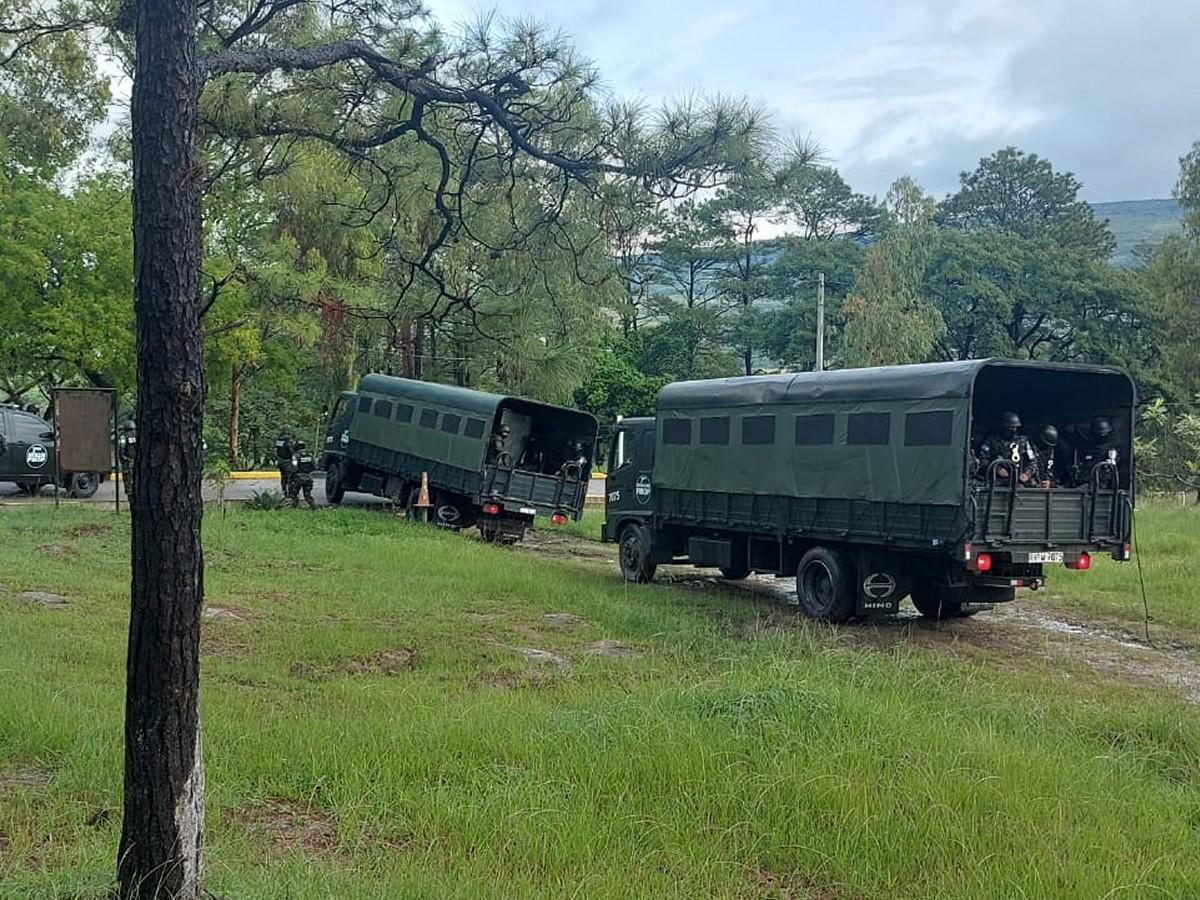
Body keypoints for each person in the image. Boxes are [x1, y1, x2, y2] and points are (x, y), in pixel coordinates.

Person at [978, 411, 1040, 487]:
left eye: (1015, 428)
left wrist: (1027, 474)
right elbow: (982, 461)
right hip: (997, 482)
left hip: (1019, 482)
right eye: (1010, 428)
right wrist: (997, 469)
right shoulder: (991, 441)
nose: (1013, 431)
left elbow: (1033, 462)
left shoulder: (1023, 442)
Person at [1073, 416, 1119, 488]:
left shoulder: (1110, 451)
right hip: (1083, 482)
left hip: (1098, 485)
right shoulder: (1087, 449)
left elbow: (1109, 473)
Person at [289, 441, 317, 508]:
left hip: (298, 477)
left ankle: (294, 508)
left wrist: (291, 476)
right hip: (308, 477)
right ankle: (314, 508)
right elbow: (315, 466)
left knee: (294, 495)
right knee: (307, 495)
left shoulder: (296, 455)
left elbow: (294, 467)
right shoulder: (310, 455)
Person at [1033, 423, 1061, 488]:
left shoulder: (1049, 451)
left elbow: (1050, 468)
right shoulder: (1027, 446)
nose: (1047, 448)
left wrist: (1049, 481)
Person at [117, 420, 137, 503]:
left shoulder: (123, 436)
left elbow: (121, 449)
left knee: (128, 479)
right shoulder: (137, 435)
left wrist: (123, 460)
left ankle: (130, 497)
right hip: (136, 461)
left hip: (127, 461)